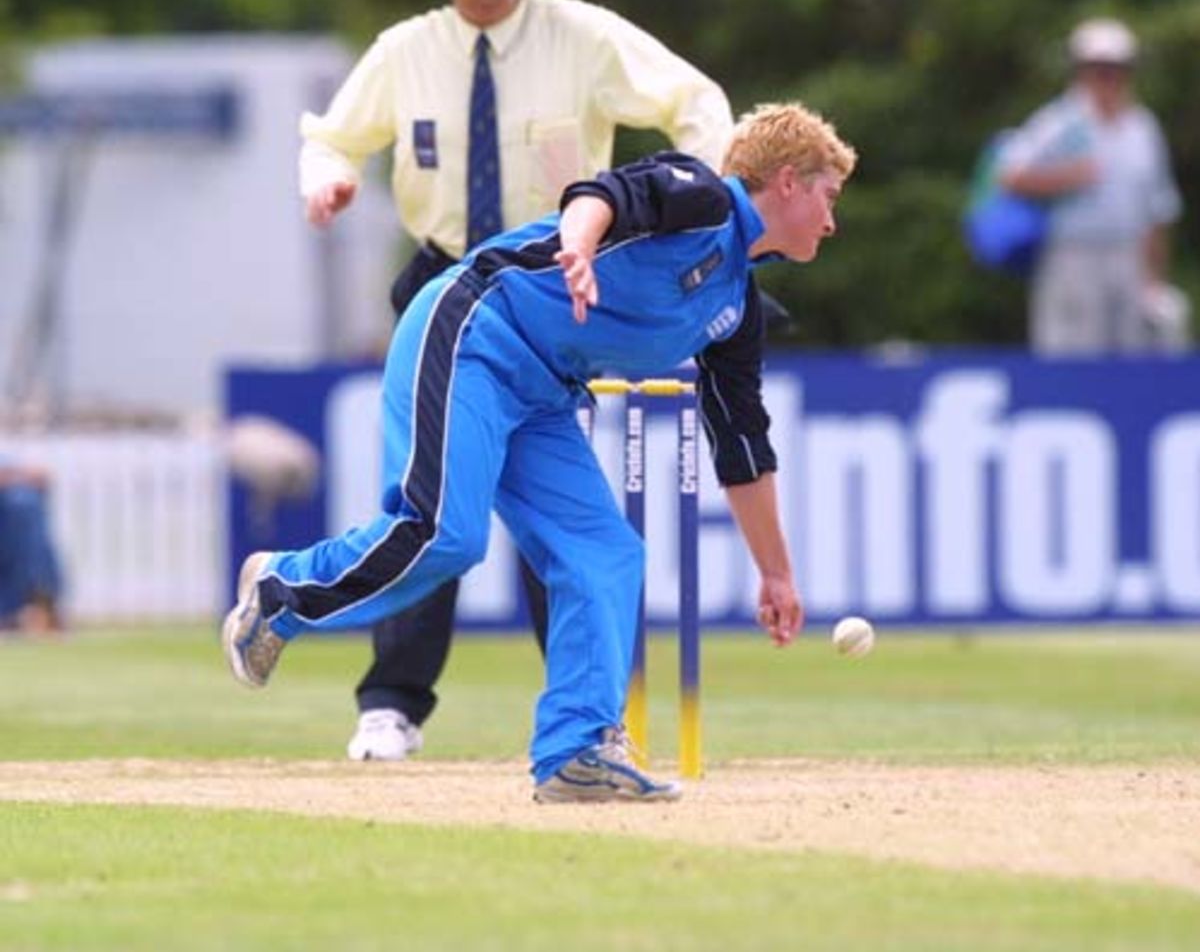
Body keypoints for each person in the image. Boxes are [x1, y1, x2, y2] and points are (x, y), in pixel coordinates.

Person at [224, 100, 857, 802]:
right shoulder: (703, 196)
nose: (832, 223)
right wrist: (580, 247)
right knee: (445, 534)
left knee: (606, 554)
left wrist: (776, 575)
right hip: (473, 329)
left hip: (544, 394)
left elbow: (741, 442)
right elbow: (601, 194)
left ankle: (576, 751)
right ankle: (283, 590)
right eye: (829, 197)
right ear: (790, 181)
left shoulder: (735, 307)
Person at [299, 0, 734, 762]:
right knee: (433, 506)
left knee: (558, 511)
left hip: (551, 293)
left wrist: (696, 197)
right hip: (441, 286)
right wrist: (325, 180)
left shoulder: (585, 36)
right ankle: (391, 704)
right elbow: (332, 138)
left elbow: (700, 104)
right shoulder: (404, 52)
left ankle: (583, 715)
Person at [997, 17, 1184, 354]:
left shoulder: (1142, 127)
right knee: (1072, 352)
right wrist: (1067, 178)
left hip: (1129, 257)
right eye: (1098, 68)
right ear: (1081, 70)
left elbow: (1158, 209)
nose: (1108, 77)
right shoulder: (1059, 123)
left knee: (1132, 353)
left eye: (1116, 68)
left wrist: (1154, 278)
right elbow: (1009, 176)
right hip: (1073, 255)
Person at [0, 459, 65, 633]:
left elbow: (41, 475)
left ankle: (47, 622)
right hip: (8, 549)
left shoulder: (26, 492)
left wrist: (18, 474)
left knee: (42, 584)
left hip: (32, 550)